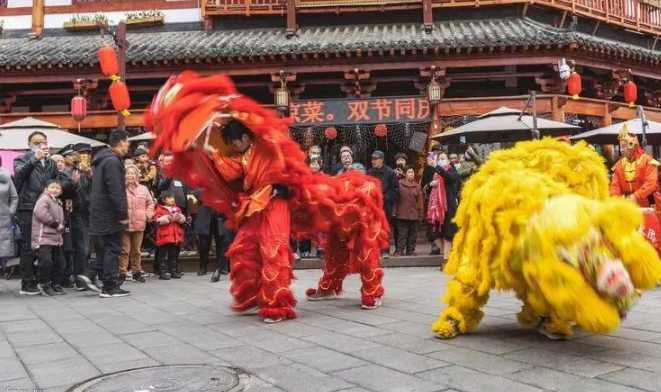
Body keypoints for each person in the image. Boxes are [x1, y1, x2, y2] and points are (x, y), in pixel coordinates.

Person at [146, 72, 388, 323]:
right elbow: (231, 171)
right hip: (259, 203)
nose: (234, 148)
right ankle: (254, 294)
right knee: (245, 246)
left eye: (235, 143)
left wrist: (221, 109)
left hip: (280, 198)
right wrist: (202, 149)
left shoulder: (267, 142)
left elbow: (281, 161)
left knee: (276, 246)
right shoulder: (244, 155)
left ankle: (287, 302)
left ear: (244, 137)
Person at [80, 130, 130, 298]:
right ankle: (110, 286)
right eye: (127, 142)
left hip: (99, 211)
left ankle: (95, 276)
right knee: (113, 248)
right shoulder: (112, 161)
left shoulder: (101, 160)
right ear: (121, 142)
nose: (128, 146)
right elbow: (116, 190)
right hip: (109, 213)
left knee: (105, 248)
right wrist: (123, 213)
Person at [13, 131, 59, 295]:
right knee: (28, 247)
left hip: (46, 208)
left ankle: (44, 280)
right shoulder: (22, 158)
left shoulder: (51, 163)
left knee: (45, 245)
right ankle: (27, 283)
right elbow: (18, 176)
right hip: (28, 207)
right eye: (36, 142)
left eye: (43, 142)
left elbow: (56, 183)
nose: (40, 145)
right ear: (29, 144)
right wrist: (34, 159)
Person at [31, 180, 66, 296]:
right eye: (52, 187)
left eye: (58, 188)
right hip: (44, 237)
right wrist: (56, 224)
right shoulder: (44, 199)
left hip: (56, 238)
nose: (55, 190)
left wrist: (62, 226)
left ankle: (56, 284)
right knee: (46, 262)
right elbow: (40, 213)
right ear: (46, 189)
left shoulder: (58, 202)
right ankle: (44, 284)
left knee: (59, 262)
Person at [121, 165, 155, 283]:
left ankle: (136, 272)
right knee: (124, 250)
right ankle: (122, 273)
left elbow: (150, 203)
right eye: (128, 173)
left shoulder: (143, 189)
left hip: (139, 223)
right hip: (124, 223)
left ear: (136, 175)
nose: (130, 175)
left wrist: (147, 215)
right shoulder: (120, 188)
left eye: (132, 173)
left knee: (136, 250)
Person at [610, 124, 658, 207]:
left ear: (633, 145)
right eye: (620, 147)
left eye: (624, 146)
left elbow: (651, 183)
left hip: (648, 205)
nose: (621, 150)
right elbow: (615, 187)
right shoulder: (619, 165)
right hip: (627, 206)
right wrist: (615, 200)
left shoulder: (648, 161)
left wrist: (635, 196)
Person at [427, 152, 461, 266]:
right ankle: (447, 255)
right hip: (436, 209)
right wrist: (431, 185)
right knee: (434, 235)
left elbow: (451, 178)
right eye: (439, 158)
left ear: (447, 160)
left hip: (448, 207)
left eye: (443, 158)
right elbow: (426, 188)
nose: (441, 160)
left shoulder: (452, 170)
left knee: (448, 234)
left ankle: (446, 260)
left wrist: (438, 167)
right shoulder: (436, 173)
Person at [71, 143, 94, 291]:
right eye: (82, 152)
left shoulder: (94, 170)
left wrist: (90, 175)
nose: (85, 155)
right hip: (77, 213)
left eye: (87, 152)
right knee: (82, 248)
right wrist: (75, 181)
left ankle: (88, 277)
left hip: (92, 213)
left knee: (91, 248)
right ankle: (80, 279)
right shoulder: (71, 170)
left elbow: (97, 189)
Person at [194, 202, 233, 279]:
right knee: (204, 244)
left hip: (221, 214)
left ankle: (221, 267)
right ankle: (203, 267)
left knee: (221, 242)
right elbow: (197, 192)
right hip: (205, 213)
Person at [154, 192, 185, 280]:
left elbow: (182, 220)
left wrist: (180, 218)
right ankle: (162, 272)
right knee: (162, 255)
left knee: (173, 254)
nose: (172, 199)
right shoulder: (160, 209)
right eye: (169, 198)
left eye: (172, 197)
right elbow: (157, 220)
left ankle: (173, 271)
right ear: (164, 200)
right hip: (164, 235)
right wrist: (167, 218)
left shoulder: (177, 208)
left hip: (175, 236)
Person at [393, 166, 423, 256]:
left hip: (414, 214)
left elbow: (420, 201)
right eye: (409, 172)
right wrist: (394, 211)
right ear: (405, 174)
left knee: (413, 235)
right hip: (401, 214)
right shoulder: (399, 184)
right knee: (402, 234)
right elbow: (395, 199)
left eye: (413, 172)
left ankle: (410, 250)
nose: (411, 174)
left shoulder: (417, 186)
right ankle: (399, 250)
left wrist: (420, 214)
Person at [0, 159, 18, 271]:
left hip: (3, 218)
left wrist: (11, 211)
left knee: (3, 251)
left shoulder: (5, 175)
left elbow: (14, 197)